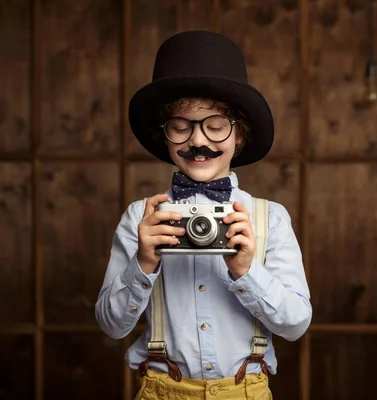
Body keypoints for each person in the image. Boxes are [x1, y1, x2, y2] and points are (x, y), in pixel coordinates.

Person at [95, 30, 312, 400]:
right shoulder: (141, 217)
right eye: (181, 127)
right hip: (162, 391)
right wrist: (143, 264)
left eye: (215, 126)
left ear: (238, 136)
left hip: (247, 391)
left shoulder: (270, 218)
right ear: (165, 136)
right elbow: (112, 327)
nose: (198, 141)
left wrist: (247, 271)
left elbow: (295, 325)